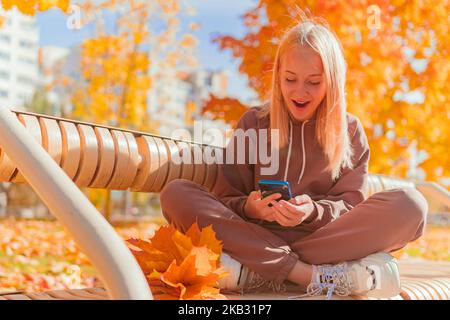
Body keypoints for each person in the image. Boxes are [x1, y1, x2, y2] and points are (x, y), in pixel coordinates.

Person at [159, 16, 428, 299]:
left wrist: (312, 211)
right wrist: (252, 209)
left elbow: (350, 205)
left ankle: (256, 272)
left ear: (332, 83)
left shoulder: (349, 131)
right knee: (176, 194)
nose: (300, 92)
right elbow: (226, 200)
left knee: (411, 206)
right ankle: (308, 276)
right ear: (278, 77)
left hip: (319, 241)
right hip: (253, 234)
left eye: (313, 82)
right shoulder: (254, 122)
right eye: (290, 79)